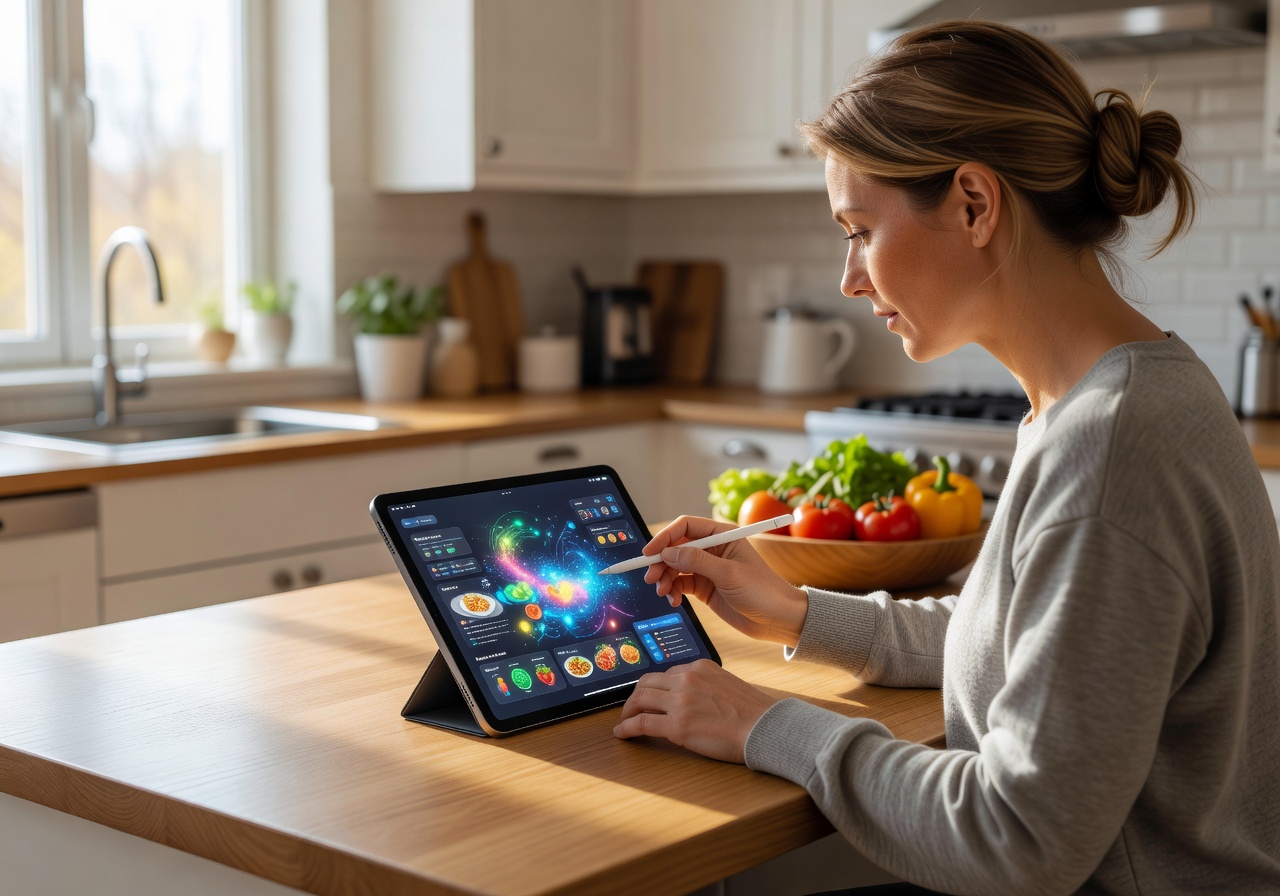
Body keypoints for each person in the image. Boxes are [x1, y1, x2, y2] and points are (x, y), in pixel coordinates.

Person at [613, 20, 1280, 896]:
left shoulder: (1109, 450)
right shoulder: (1104, 397)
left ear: (974, 203)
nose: (850, 278)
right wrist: (794, 613)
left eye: (857, 229)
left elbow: (1018, 840)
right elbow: (1021, 646)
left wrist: (767, 724)